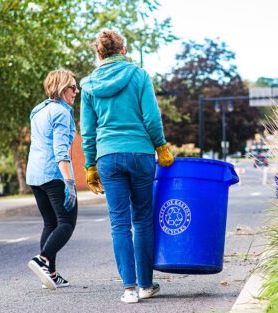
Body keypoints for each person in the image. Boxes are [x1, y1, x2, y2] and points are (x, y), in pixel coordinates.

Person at [80, 29, 174, 304]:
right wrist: (161, 146)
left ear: (99, 54)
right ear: (123, 51)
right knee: (142, 218)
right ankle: (146, 284)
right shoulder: (139, 75)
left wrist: (90, 165)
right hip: (141, 153)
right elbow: (151, 117)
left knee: (119, 223)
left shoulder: (88, 85)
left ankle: (129, 289)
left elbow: (88, 130)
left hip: (108, 156)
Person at [26, 69, 79, 290]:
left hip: (35, 175)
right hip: (54, 174)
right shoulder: (61, 113)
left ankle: (51, 273)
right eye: (72, 87)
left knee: (51, 223)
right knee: (66, 223)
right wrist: (70, 183)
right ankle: (43, 259)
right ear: (60, 88)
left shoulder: (38, 110)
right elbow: (60, 150)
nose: (76, 91)